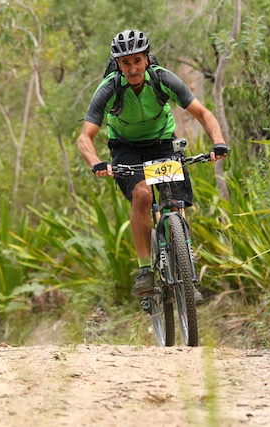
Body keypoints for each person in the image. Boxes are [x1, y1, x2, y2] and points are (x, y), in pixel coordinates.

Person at [76, 29, 228, 303]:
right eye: (126, 63)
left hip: (162, 143)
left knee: (174, 204)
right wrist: (96, 162)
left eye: (137, 60)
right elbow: (85, 137)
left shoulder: (163, 79)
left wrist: (217, 142)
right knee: (143, 194)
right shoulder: (109, 89)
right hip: (126, 148)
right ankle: (145, 270)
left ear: (146, 59)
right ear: (118, 65)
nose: (133, 68)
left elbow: (203, 113)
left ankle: (185, 272)